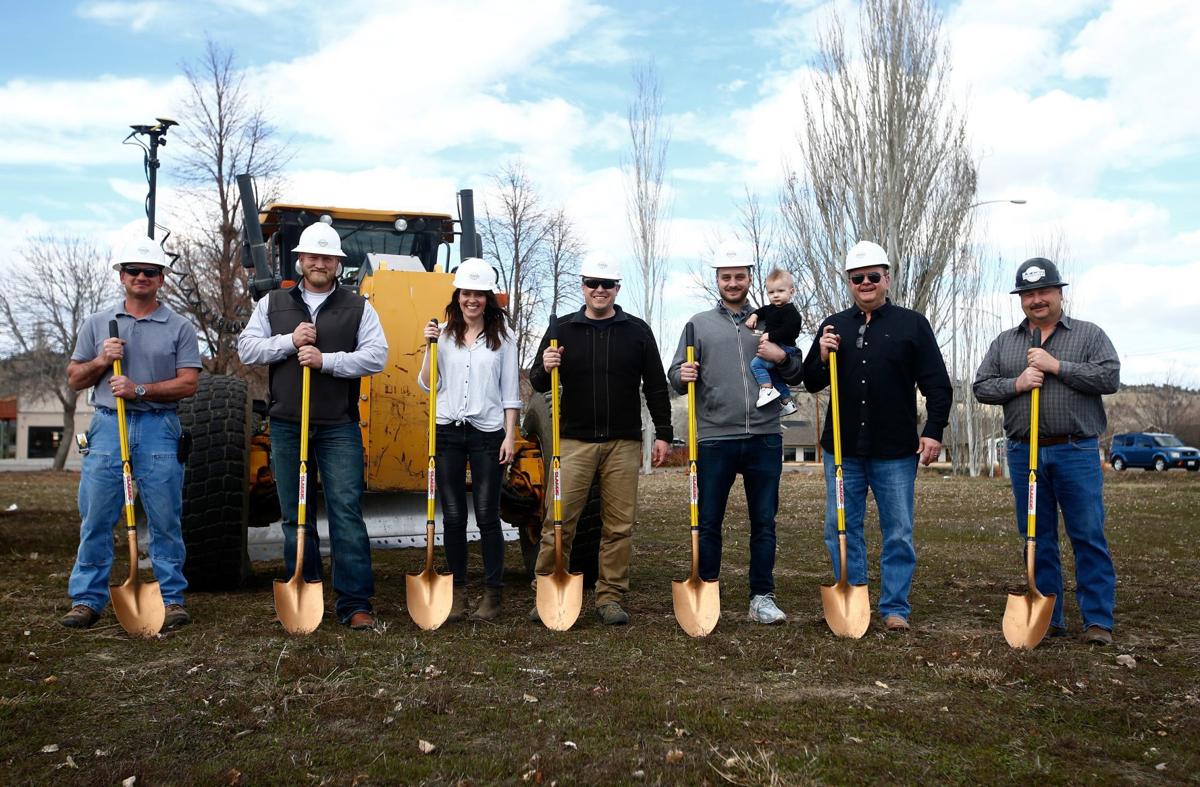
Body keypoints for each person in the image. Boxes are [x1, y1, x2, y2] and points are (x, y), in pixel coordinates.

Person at [766, 240, 951, 632]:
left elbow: (937, 384)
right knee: (841, 529)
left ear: (887, 279)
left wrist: (933, 431)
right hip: (843, 448)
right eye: (857, 278)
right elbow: (812, 382)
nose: (865, 283)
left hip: (895, 449)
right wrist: (821, 354)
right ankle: (853, 597)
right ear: (849, 283)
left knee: (898, 532)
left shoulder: (912, 324)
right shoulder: (834, 325)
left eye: (872, 276)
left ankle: (895, 607)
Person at [237, 222, 387, 631]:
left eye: (328, 258)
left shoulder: (359, 307)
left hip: (339, 426)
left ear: (338, 264)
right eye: (313, 256)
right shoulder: (272, 304)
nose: (320, 263)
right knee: (295, 515)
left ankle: (354, 603)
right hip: (287, 424)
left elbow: (377, 356)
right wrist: (289, 341)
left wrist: (327, 361)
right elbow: (247, 349)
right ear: (300, 259)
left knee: (346, 513)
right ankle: (305, 591)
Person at [973, 257, 1119, 645]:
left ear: (1059, 293)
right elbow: (981, 386)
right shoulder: (1006, 342)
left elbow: (1109, 377)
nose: (1036, 300)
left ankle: (1097, 620)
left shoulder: (1088, 335)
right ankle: (1049, 616)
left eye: (1044, 292)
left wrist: (1057, 366)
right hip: (1025, 453)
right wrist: (1017, 384)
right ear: (1021, 299)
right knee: (1036, 536)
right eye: (1028, 294)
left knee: (1087, 534)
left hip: (1075, 450)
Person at [61, 236, 202, 630]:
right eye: (133, 270)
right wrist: (102, 360)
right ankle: (87, 599)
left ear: (162, 279)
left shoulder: (179, 327)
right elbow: (74, 378)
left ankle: (170, 598)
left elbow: (188, 383)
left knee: (165, 518)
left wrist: (139, 389)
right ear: (121, 276)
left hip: (160, 427)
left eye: (150, 271)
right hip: (109, 425)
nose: (141, 276)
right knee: (96, 516)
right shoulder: (97, 323)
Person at [528, 256, 673, 625]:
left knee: (619, 526)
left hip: (623, 443)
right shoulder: (562, 329)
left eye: (607, 284)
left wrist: (664, 434)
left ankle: (609, 597)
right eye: (593, 283)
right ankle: (547, 590)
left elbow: (656, 386)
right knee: (559, 522)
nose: (599, 290)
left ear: (617, 289)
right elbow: (538, 382)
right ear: (583, 286)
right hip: (574, 441)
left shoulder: (637, 331)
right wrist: (545, 365)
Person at [668, 241, 787, 625]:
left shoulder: (771, 320)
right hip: (715, 437)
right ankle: (707, 589)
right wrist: (682, 374)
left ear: (749, 278)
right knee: (708, 520)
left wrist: (782, 357)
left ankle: (762, 596)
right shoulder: (698, 324)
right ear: (717, 280)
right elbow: (674, 375)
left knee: (764, 521)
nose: (733, 283)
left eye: (739, 276)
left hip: (765, 435)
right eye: (726, 277)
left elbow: (794, 366)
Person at [418, 258, 521, 622]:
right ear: (457, 296)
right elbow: (428, 384)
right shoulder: (442, 335)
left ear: (488, 299)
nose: (472, 300)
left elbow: (510, 393)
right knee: (453, 515)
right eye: (466, 293)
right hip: (447, 431)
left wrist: (510, 435)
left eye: (479, 294)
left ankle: (492, 595)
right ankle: (458, 591)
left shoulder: (504, 339)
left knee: (487, 515)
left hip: (487, 433)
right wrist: (428, 346)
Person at [745, 268, 802, 415]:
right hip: (776, 346)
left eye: (780, 291)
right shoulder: (770, 309)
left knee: (756, 364)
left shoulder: (791, 312)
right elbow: (760, 311)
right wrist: (754, 316)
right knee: (774, 376)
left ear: (791, 291)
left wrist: (770, 336)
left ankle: (767, 390)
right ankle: (787, 402)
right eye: (771, 292)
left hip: (785, 348)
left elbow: (790, 331)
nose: (775, 295)